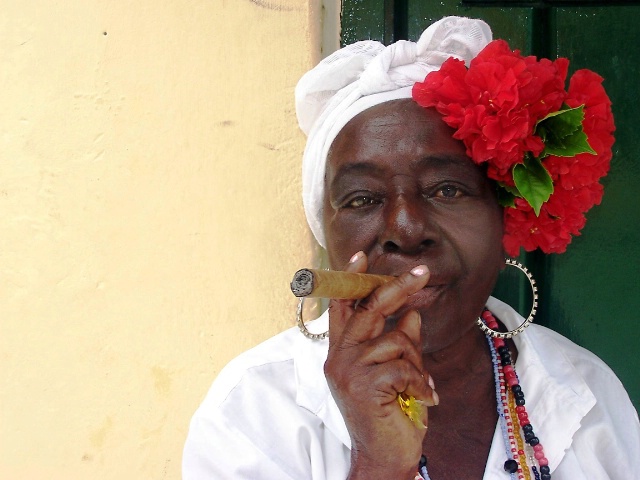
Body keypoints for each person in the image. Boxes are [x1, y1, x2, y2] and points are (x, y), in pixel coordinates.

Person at [183, 16, 640, 479]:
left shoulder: (585, 393)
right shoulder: (254, 412)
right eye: (362, 198)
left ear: (505, 217)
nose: (405, 229)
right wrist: (379, 463)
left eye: (447, 190)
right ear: (327, 234)